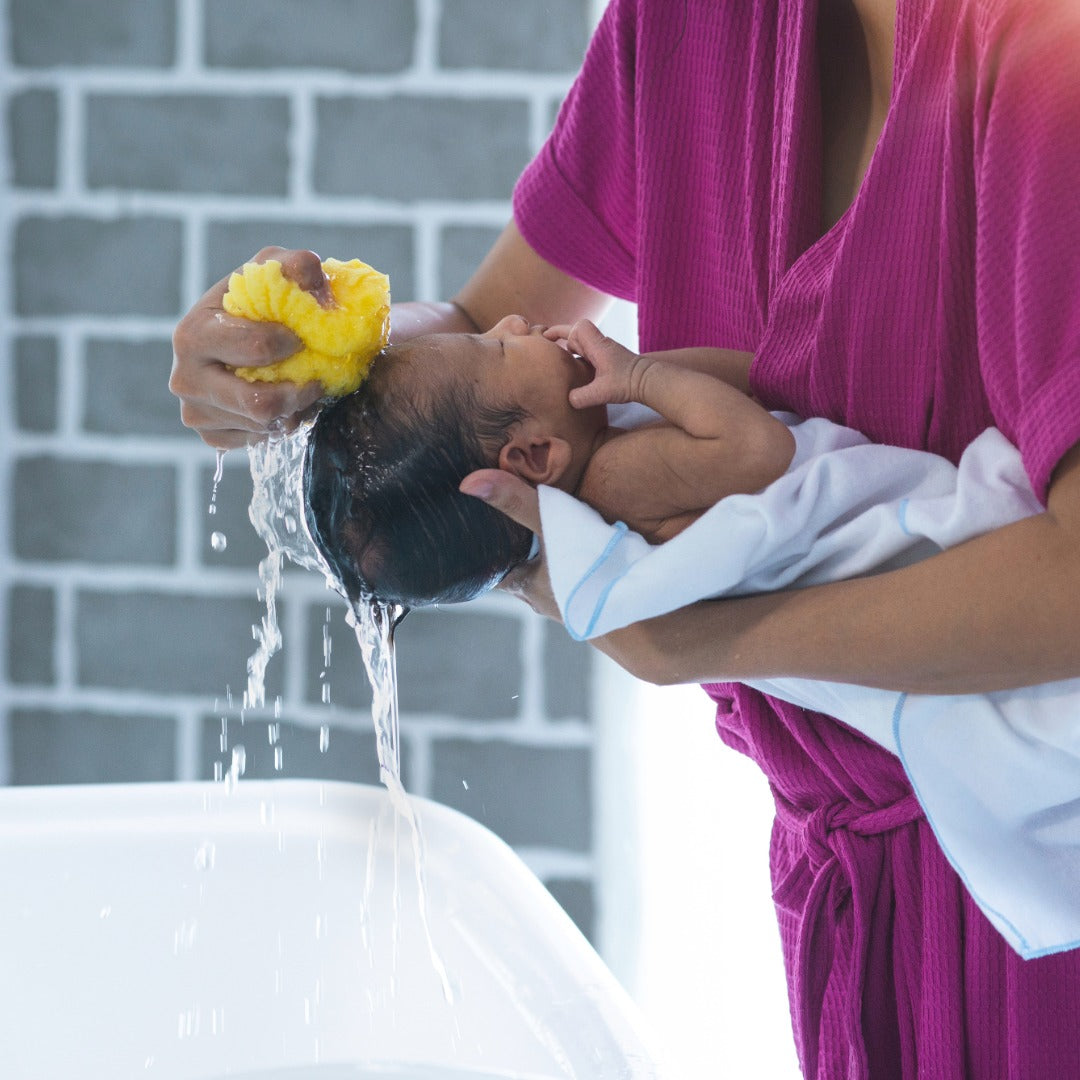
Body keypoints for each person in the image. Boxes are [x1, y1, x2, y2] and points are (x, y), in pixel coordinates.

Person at [171, 1, 1080, 1076]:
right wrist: (332, 366)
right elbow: (482, 327)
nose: (524, 338)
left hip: (1036, 896)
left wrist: (702, 645)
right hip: (846, 902)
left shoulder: (1040, 50)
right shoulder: (687, 24)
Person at [304, 314, 794, 607]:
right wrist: (641, 376)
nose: (512, 324)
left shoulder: (598, 452)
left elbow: (756, 379)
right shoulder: (617, 479)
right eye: (497, 347)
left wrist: (639, 375)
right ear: (536, 456)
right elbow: (763, 445)